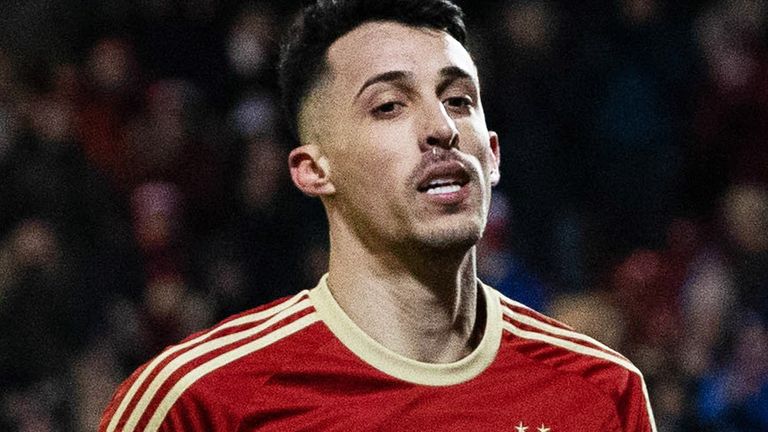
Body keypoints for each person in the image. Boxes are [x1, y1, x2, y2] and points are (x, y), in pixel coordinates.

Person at [99, 0, 657, 430]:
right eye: (389, 106)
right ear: (313, 171)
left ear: (492, 153)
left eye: (459, 99)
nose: (441, 127)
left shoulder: (601, 393)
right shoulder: (198, 402)